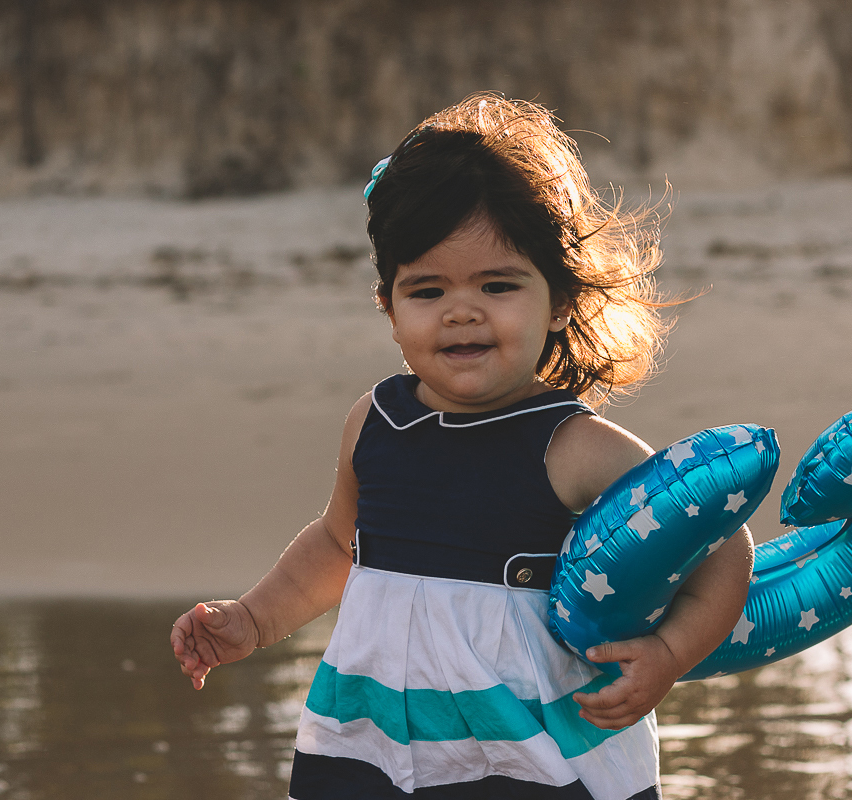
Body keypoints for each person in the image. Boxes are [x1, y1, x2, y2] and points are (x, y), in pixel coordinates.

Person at [171, 93, 753, 800]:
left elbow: (724, 545)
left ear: (560, 299)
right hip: (373, 739)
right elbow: (335, 545)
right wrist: (253, 620)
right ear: (388, 307)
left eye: (498, 284)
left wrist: (668, 653)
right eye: (427, 290)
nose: (461, 310)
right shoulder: (376, 421)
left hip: (526, 750)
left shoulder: (572, 446)